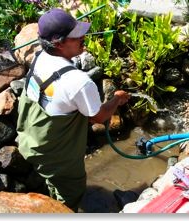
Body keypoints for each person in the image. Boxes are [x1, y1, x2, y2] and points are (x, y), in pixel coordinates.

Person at [16, 8, 130, 212]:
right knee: (71, 192)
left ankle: (53, 193)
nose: (83, 37)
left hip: (30, 138)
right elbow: (99, 116)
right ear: (59, 43)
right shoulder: (78, 82)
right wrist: (116, 100)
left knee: (55, 180)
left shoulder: (39, 57)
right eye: (76, 35)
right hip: (56, 153)